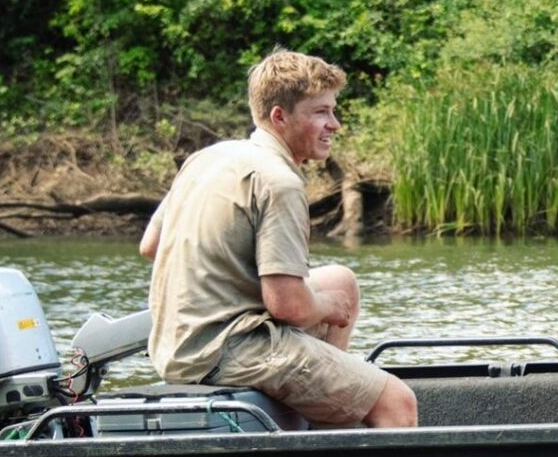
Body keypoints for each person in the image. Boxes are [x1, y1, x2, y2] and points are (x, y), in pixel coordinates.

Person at [139, 49, 418, 428]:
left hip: (174, 346)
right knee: (396, 402)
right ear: (279, 116)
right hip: (227, 351)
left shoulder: (208, 157)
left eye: (333, 111)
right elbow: (289, 305)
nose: (334, 124)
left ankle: (322, 429)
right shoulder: (280, 182)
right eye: (321, 112)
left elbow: (151, 246)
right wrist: (326, 308)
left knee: (339, 281)